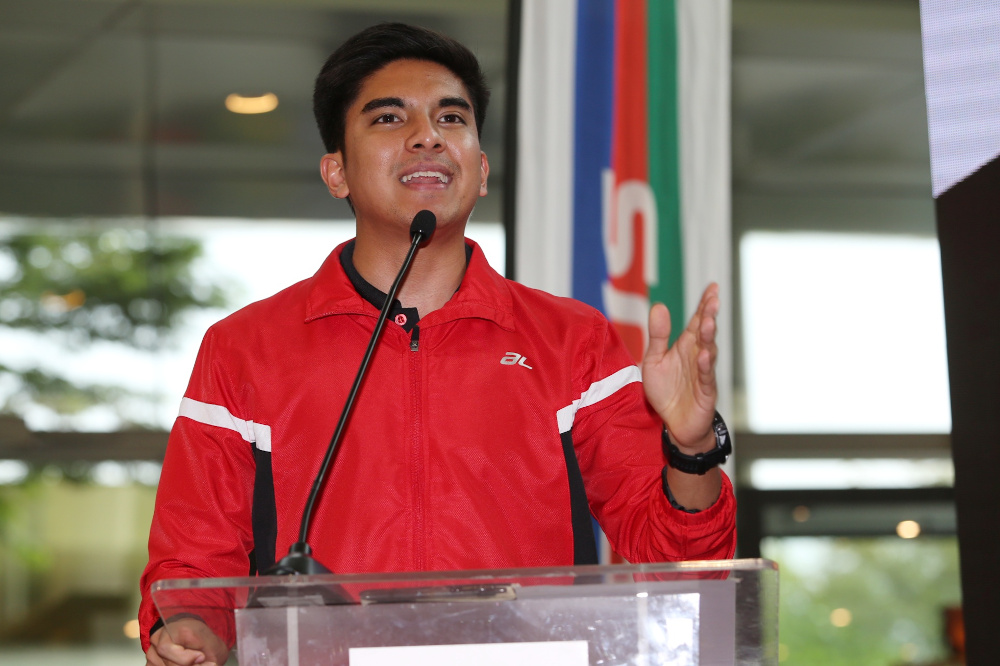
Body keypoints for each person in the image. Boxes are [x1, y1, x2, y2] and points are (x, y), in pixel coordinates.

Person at [140, 22, 736, 666]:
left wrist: (692, 448)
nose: (427, 135)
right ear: (335, 171)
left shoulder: (572, 342)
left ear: (479, 170)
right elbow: (192, 569)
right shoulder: (245, 349)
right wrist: (188, 629)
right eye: (390, 118)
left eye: (451, 117)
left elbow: (685, 565)